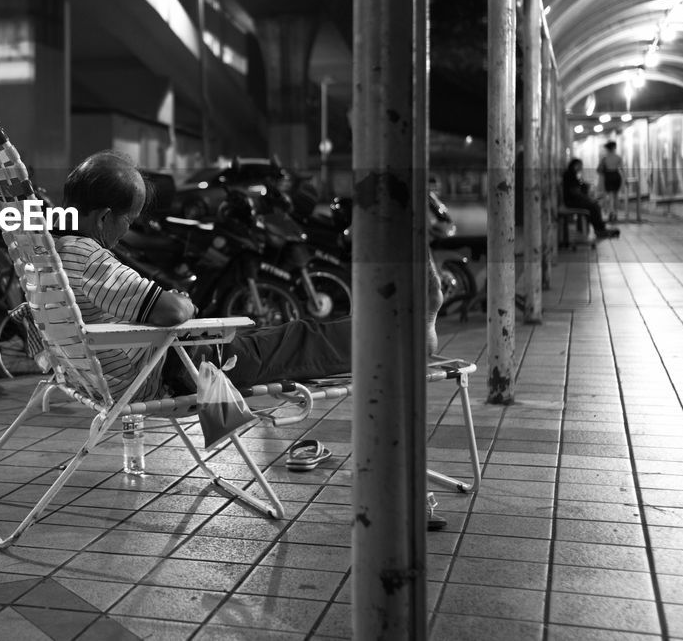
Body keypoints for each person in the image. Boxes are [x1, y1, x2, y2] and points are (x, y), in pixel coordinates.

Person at [54, 150, 448, 527]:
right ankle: (402, 335)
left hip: (134, 369)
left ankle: (382, 330)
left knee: (272, 339)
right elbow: (172, 311)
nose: (127, 231)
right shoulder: (87, 256)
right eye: (129, 220)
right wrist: (183, 306)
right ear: (105, 216)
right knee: (295, 341)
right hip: (173, 369)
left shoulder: (50, 257)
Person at [563, 158, 619, 239]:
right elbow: (575, 192)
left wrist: (587, 195)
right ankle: (599, 229)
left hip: (574, 199)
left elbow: (578, 188)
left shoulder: (573, 174)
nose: (581, 168)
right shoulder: (570, 175)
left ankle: (600, 228)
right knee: (593, 206)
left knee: (595, 205)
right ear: (575, 166)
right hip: (571, 201)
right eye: (580, 166)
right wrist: (587, 199)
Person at [597, 141, 624, 223]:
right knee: (616, 195)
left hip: (608, 176)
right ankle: (615, 213)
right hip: (616, 175)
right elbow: (622, 169)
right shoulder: (618, 157)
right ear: (614, 148)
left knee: (610, 196)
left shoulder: (604, 158)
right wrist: (625, 179)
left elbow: (599, 170)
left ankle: (611, 212)